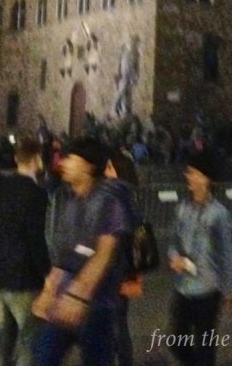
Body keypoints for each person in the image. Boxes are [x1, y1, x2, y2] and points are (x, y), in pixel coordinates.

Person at [33, 136, 127, 366]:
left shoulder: (109, 202)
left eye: (70, 158)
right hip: (64, 300)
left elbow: (104, 254)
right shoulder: (71, 200)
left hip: (96, 304)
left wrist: (78, 295)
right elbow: (64, 256)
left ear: (88, 166)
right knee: (43, 358)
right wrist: (49, 289)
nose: (63, 163)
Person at [167, 148, 232, 365]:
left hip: (208, 290)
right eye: (188, 172)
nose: (188, 177)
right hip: (182, 287)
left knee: (205, 347)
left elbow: (228, 252)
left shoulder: (219, 214)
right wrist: (174, 257)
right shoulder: (182, 208)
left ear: (207, 178)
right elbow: (173, 241)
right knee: (177, 343)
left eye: (193, 173)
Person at [0, 134, 50, 366]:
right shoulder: (36, 194)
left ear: (16, 159)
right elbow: (35, 238)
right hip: (23, 278)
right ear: (37, 159)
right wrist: (46, 273)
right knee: (28, 340)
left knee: (1, 337)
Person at [103, 151, 142, 366]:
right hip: (119, 270)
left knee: (117, 324)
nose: (105, 172)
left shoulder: (118, 200)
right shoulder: (125, 198)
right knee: (116, 323)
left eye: (110, 168)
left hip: (117, 271)